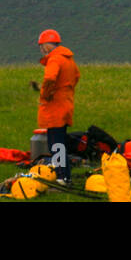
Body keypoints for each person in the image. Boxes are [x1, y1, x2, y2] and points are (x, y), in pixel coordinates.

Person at [32, 29, 80, 184]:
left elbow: (50, 78)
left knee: (56, 145)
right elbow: (76, 76)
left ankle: (63, 177)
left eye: (41, 46)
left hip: (55, 108)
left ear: (46, 46)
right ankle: (63, 174)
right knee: (60, 142)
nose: (41, 50)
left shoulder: (54, 59)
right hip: (66, 104)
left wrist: (44, 94)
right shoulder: (69, 59)